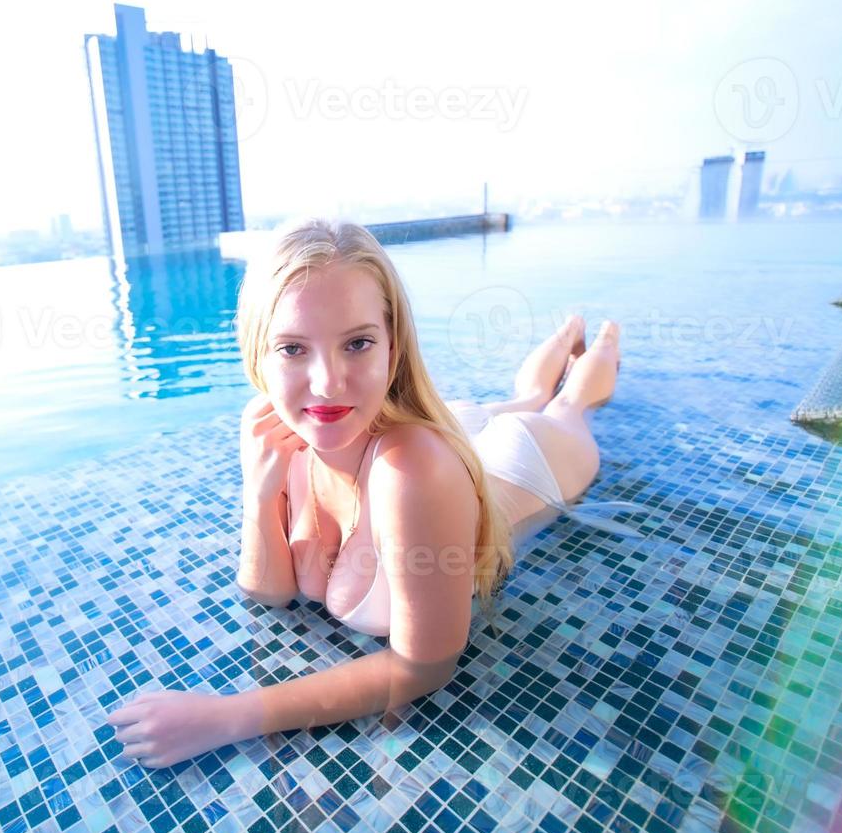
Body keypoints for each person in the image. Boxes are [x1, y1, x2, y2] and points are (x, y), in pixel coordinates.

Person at [107, 218, 650, 768]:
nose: (326, 383)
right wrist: (260, 490)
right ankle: (563, 338)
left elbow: (425, 665)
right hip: (420, 426)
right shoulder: (280, 428)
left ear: (393, 348)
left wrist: (228, 716)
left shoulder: (411, 472)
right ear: (258, 355)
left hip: (530, 460)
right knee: (528, 391)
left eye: (357, 343)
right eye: (293, 348)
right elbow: (268, 593)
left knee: (565, 404)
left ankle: (602, 339)